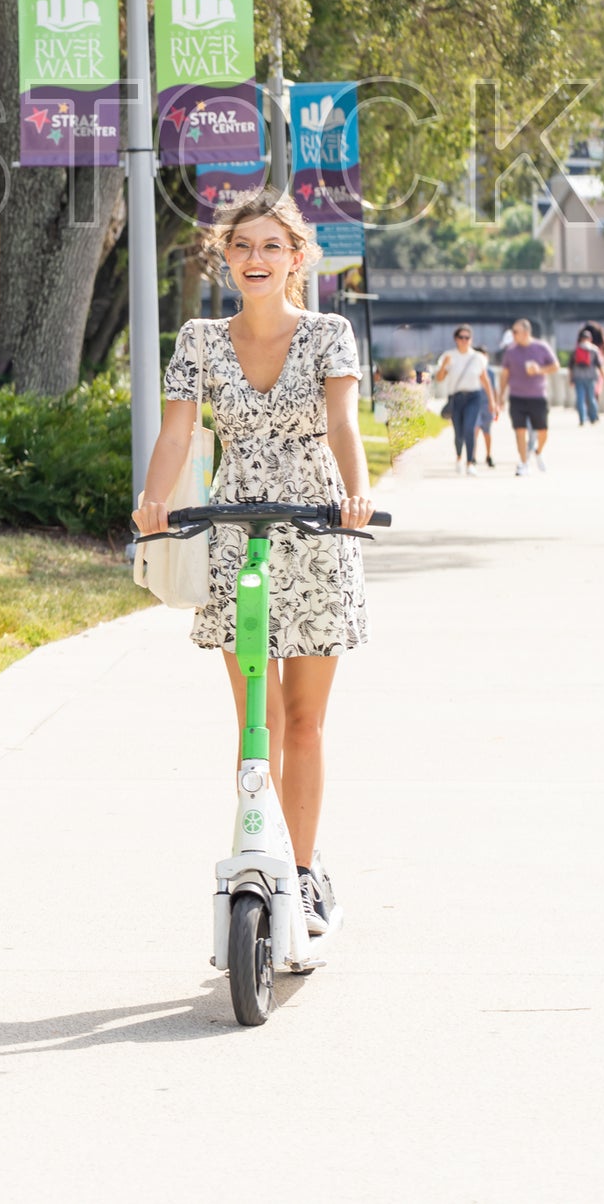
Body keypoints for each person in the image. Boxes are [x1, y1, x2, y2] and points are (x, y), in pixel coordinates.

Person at [133, 190, 372, 938]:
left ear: (297, 258)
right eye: (243, 247)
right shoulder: (199, 339)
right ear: (225, 258)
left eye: (273, 246)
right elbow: (178, 433)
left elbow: (341, 422)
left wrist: (358, 496)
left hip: (315, 525)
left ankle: (301, 873)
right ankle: (257, 857)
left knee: (302, 723)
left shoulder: (330, 333)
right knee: (254, 723)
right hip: (236, 525)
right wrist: (153, 501)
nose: (257, 259)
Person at [433, 324, 498, 475]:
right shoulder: (448, 356)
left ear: (471, 339)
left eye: (467, 338)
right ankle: (458, 457)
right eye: (461, 337)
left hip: (473, 397)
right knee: (459, 433)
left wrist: (492, 401)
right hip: (456, 397)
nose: (464, 340)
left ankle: (470, 462)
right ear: (456, 339)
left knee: (470, 428)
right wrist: (443, 365)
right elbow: (439, 379)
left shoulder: (478, 357)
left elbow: (485, 380)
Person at [498, 318, 560, 474]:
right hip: (517, 396)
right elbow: (505, 374)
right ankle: (523, 462)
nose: (513, 335)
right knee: (520, 430)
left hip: (537, 396)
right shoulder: (510, 351)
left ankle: (538, 452)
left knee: (542, 430)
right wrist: (501, 395)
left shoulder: (541, 347)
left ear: (526, 333)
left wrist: (539, 370)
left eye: (515, 332)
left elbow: (555, 366)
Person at [569, 327, 604, 425]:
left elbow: (571, 367)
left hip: (578, 377)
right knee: (591, 397)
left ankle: (582, 419)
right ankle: (593, 417)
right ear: (590, 339)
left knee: (580, 398)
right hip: (591, 378)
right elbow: (599, 366)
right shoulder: (594, 350)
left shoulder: (576, 350)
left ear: (581, 339)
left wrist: (571, 379)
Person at [474, 344, 497, 469]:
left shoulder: (491, 373)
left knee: (487, 432)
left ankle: (488, 455)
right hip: (475, 405)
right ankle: (472, 456)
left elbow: (494, 389)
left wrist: (495, 404)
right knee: (475, 430)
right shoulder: (472, 370)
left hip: (487, 405)